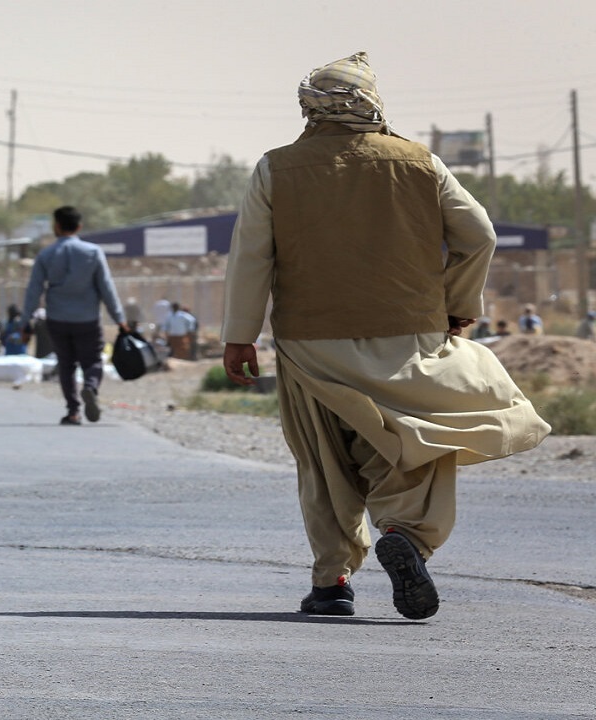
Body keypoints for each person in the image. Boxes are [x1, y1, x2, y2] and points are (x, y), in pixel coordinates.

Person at [221, 52, 549, 620]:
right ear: (372, 102)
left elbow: (252, 256)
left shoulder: (277, 167)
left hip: (310, 342)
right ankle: (405, 533)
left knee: (324, 460)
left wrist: (239, 335)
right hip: (408, 335)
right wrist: (457, 305)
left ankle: (332, 582)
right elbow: (481, 236)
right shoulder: (420, 162)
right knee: (405, 441)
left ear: (309, 107)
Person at [23, 206, 128, 425]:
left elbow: (34, 291)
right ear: (79, 226)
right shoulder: (92, 252)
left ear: (57, 226)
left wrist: (26, 322)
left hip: (57, 319)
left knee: (66, 364)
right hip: (87, 319)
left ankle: (73, 411)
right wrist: (119, 318)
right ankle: (90, 386)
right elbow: (106, 288)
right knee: (92, 361)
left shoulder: (46, 254)